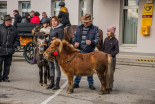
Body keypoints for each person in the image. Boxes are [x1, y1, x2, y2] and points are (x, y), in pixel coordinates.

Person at [72, 14, 99, 90]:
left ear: (90, 21)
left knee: (90, 67)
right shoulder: (79, 28)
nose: (85, 23)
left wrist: (91, 42)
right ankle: (76, 83)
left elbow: (97, 40)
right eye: (84, 22)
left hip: (90, 52)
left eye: (87, 22)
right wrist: (75, 43)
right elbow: (74, 37)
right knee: (78, 67)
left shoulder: (95, 29)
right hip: (80, 51)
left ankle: (91, 84)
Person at [0, 15, 20, 82]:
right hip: (1, 49)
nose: (10, 21)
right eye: (9, 20)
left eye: (11, 20)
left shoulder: (14, 29)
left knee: (7, 65)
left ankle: (5, 77)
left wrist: (14, 46)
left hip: (9, 50)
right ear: (5, 21)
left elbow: (17, 39)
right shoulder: (0, 27)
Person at [46, 16, 64, 90]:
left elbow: (60, 41)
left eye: (55, 21)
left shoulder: (60, 29)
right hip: (50, 50)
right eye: (52, 21)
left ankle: (57, 84)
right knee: (50, 66)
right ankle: (52, 82)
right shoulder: (51, 29)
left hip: (56, 51)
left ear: (58, 21)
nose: (53, 22)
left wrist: (54, 44)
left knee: (57, 66)